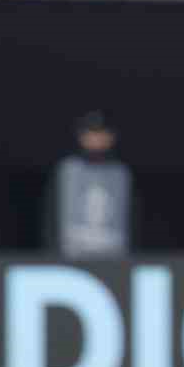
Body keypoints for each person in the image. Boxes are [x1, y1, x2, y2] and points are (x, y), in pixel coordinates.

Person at [50, 111, 133, 259]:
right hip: (71, 255)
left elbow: (131, 218)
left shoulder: (120, 173)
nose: (97, 139)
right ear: (81, 136)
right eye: (91, 133)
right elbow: (51, 215)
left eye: (102, 134)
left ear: (111, 137)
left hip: (114, 256)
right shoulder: (68, 170)